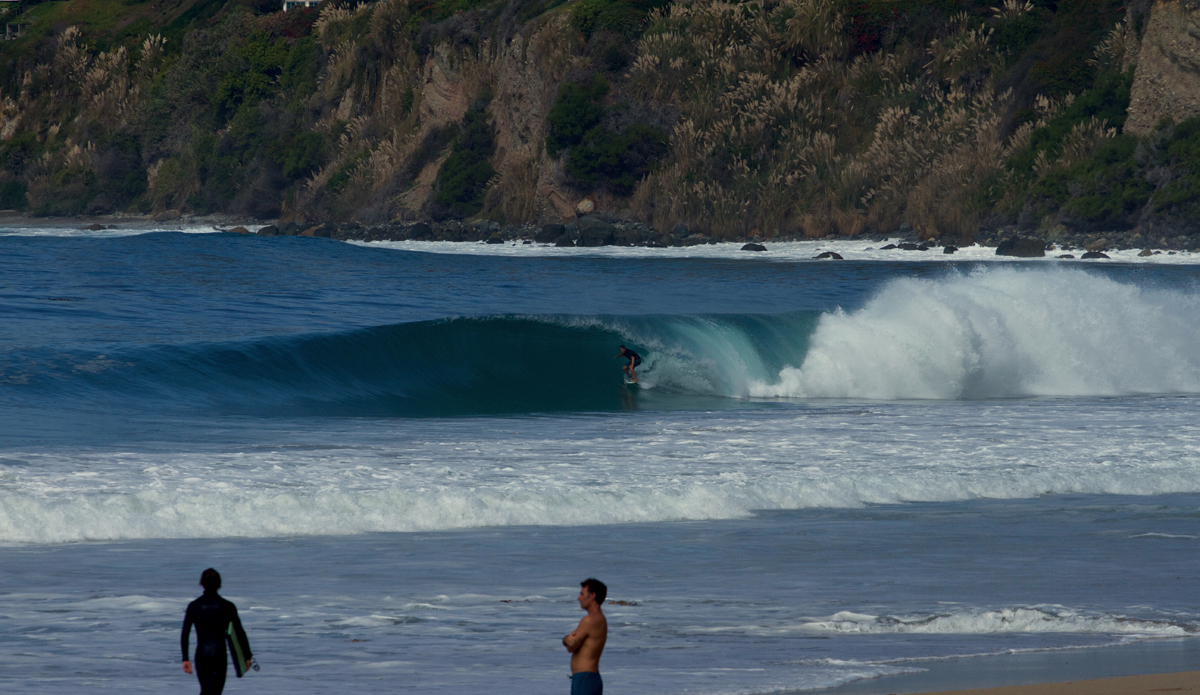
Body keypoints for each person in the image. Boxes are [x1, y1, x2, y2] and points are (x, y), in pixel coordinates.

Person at [182, 568, 252, 695]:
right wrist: (247, 655)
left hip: (201, 655)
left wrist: (185, 658)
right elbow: (240, 632)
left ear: (202, 583)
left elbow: (185, 634)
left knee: (205, 691)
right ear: (219, 584)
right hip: (218, 656)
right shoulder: (227, 606)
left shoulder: (194, 606)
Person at [562, 578, 608, 695]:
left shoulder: (589, 620)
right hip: (588, 678)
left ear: (592, 595)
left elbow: (571, 646)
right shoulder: (600, 619)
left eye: (582, 594)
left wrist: (565, 639)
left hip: (585, 679)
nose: (578, 598)